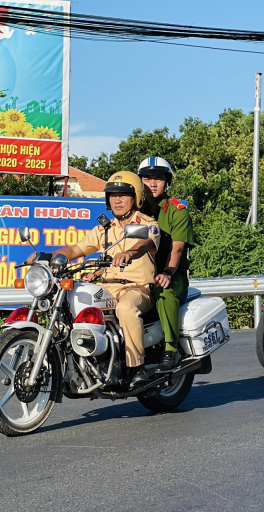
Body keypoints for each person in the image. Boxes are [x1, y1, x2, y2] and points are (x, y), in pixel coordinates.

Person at [45, 172, 160, 388]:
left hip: (137, 289)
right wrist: (49, 257)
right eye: (113, 195)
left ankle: (137, 367)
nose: (117, 200)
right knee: (70, 305)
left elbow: (145, 243)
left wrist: (129, 253)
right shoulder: (104, 229)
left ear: (136, 197)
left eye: (123, 195)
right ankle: (71, 364)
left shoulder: (146, 223)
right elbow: (76, 249)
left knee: (126, 309)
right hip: (107, 288)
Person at [138, 156, 195, 373]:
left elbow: (177, 248)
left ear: (167, 182)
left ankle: (170, 349)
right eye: (147, 179)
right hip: (139, 273)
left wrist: (168, 272)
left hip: (172, 274)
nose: (152, 184)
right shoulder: (135, 210)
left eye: (158, 179)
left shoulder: (177, 210)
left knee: (163, 290)